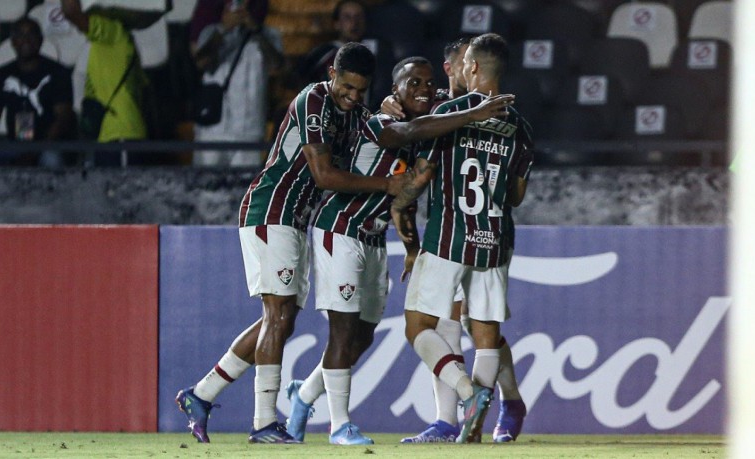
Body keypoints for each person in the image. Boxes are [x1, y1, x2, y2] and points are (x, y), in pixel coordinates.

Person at [174, 42, 406, 444]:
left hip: (296, 221)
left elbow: (376, 126)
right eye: (346, 87)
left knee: (279, 319)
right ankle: (264, 423)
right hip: (271, 211)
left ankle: (201, 394)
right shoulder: (313, 99)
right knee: (278, 316)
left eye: (360, 91)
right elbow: (323, 175)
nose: (352, 97)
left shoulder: (353, 114)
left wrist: (387, 103)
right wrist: (386, 184)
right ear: (332, 73)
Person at [282, 56, 514, 445]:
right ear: (395, 90)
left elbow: (402, 201)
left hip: (374, 238)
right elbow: (408, 131)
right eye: (414, 83)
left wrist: (411, 247)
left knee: (362, 337)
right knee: (342, 331)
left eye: (429, 83)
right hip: (339, 230)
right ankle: (339, 426)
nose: (424, 89)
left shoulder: (424, 122)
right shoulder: (382, 123)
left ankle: (302, 397)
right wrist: (472, 113)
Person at [390, 33, 534, 444]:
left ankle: (470, 394)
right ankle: (471, 431)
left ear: (471, 67)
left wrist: (400, 204)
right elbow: (516, 195)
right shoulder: (521, 127)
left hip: (448, 238)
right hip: (494, 237)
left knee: (418, 325)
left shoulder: (451, 113)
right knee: (485, 333)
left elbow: (421, 174)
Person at [190, 0, 285, 167]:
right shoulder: (211, 32)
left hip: (249, 128)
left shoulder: (268, 34)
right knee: (206, 187)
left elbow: (277, 65)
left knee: (243, 187)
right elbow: (201, 63)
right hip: (212, 127)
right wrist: (223, 29)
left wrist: (255, 30)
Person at [61, 0, 148, 165]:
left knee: (123, 188)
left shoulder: (112, 31)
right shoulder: (122, 39)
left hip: (119, 133)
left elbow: (71, 11)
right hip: (115, 134)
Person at [0, 17, 74, 167]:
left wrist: (34, 151)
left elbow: (63, 118)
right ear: (13, 42)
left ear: (40, 40)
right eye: (20, 35)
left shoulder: (58, 73)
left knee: (52, 160)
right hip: (16, 144)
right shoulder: (4, 74)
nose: (26, 40)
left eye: (31, 35)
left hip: (49, 146)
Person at [298, 0, 366, 86]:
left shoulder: (376, 54)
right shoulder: (321, 55)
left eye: (358, 17)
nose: (354, 23)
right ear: (336, 24)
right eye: (347, 17)